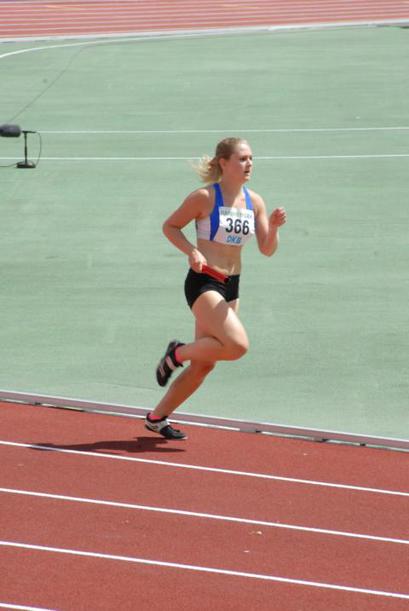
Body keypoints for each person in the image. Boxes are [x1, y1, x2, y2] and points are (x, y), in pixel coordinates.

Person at [145, 137, 287, 440]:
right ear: (224, 162)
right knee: (238, 346)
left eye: (251, 158)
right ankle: (176, 354)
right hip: (204, 282)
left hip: (232, 285)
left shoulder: (255, 202)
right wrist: (191, 251)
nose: (249, 164)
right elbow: (170, 226)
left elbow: (267, 249)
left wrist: (274, 227)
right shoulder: (205, 197)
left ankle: (157, 418)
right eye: (242, 159)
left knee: (204, 366)